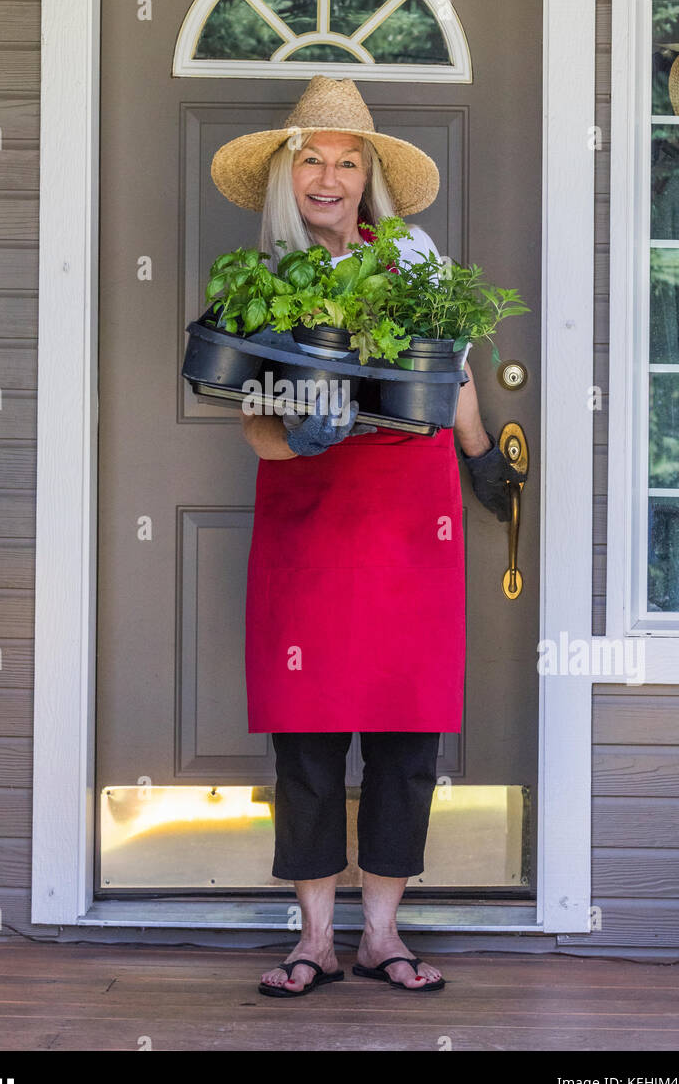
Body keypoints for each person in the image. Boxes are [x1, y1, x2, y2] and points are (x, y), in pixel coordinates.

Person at [209, 75, 522, 997]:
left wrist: (480, 461)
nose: (330, 177)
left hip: (411, 518)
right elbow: (251, 424)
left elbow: (453, 370)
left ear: (368, 177)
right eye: (312, 159)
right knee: (306, 735)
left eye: (348, 162)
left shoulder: (414, 255)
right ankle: (313, 938)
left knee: (406, 728)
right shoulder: (261, 281)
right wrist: (292, 433)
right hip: (310, 519)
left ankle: (383, 933)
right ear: (285, 175)